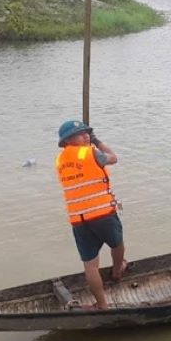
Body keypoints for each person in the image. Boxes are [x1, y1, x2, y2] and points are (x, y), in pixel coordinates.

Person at [54, 119, 126, 310]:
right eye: (81, 134)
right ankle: (118, 271)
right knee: (117, 244)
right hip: (102, 213)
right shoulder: (90, 152)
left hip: (78, 219)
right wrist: (96, 140)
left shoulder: (60, 160)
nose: (86, 135)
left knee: (90, 265)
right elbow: (113, 157)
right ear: (69, 140)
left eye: (88, 132)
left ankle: (102, 304)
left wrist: (88, 140)